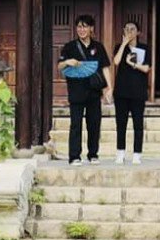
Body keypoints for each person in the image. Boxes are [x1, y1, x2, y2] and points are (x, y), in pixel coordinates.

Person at [57, 14, 110, 166]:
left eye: (85, 26)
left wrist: (109, 88)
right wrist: (68, 61)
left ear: (91, 28)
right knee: (75, 124)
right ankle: (74, 156)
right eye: (79, 27)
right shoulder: (70, 47)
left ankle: (93, 154)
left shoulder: (98, 47)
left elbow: (105, 67)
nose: (82, 30)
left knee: (94, 123)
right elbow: (59, 66)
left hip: (94, 91)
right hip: (76, 91)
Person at [111, 20, 149, 165]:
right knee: (121, 124)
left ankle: (137, 154)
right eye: (127, 29)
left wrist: (132, 64)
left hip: (138, 92)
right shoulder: (119, 47)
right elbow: (115, 61)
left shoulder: (144, 48)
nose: (129, 31)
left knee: (138, 124)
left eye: (132, 29)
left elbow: (146, 68)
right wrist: (123, 44)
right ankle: (120, 152)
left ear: (138, 32)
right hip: (121, 92)